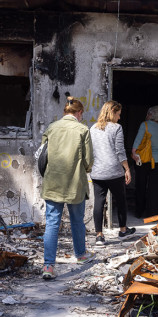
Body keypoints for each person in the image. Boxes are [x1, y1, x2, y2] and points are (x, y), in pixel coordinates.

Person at [40, 96, 94, 279]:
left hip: (53, 182)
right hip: (75, 183)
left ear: (64, 112)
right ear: (79, 113)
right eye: (82, 114)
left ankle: (48, 266)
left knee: (52, 223)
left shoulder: (52, 128)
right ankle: (81, 256)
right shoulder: (82, 129)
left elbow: (42, 155)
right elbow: (88, 161)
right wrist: (84, 168)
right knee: (77, 221)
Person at [90, 100, 136, 245]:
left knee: (99, 202)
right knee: (121, 200)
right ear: (112, 112)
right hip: (114, 171)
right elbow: (120, 151)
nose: (119, 117)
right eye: (118, 114)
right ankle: (123, 231)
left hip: (97, 171)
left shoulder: (93, 128)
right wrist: (127, 169)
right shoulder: (117, 128)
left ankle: (99, 236)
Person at [131, 105, 158, 218]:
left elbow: (138, 141)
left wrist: (133, 153)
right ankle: (152, 214)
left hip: (143, 160)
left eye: (148, 114)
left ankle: (139, 212)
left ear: (151, 115)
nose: (146, 115)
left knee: (141, 186)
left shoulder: (145, 124)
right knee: (155, 188)